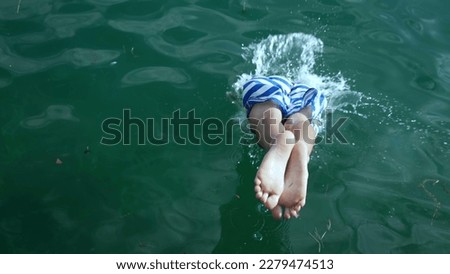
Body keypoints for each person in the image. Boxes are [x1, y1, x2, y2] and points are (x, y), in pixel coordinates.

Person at [242, 76, 326, 220]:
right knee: (301, 119)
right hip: (306, 94)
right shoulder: (308, 85)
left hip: (266, 84)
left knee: (268, 110)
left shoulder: (267, 81)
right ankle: (302, 152)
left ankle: (277, 141)